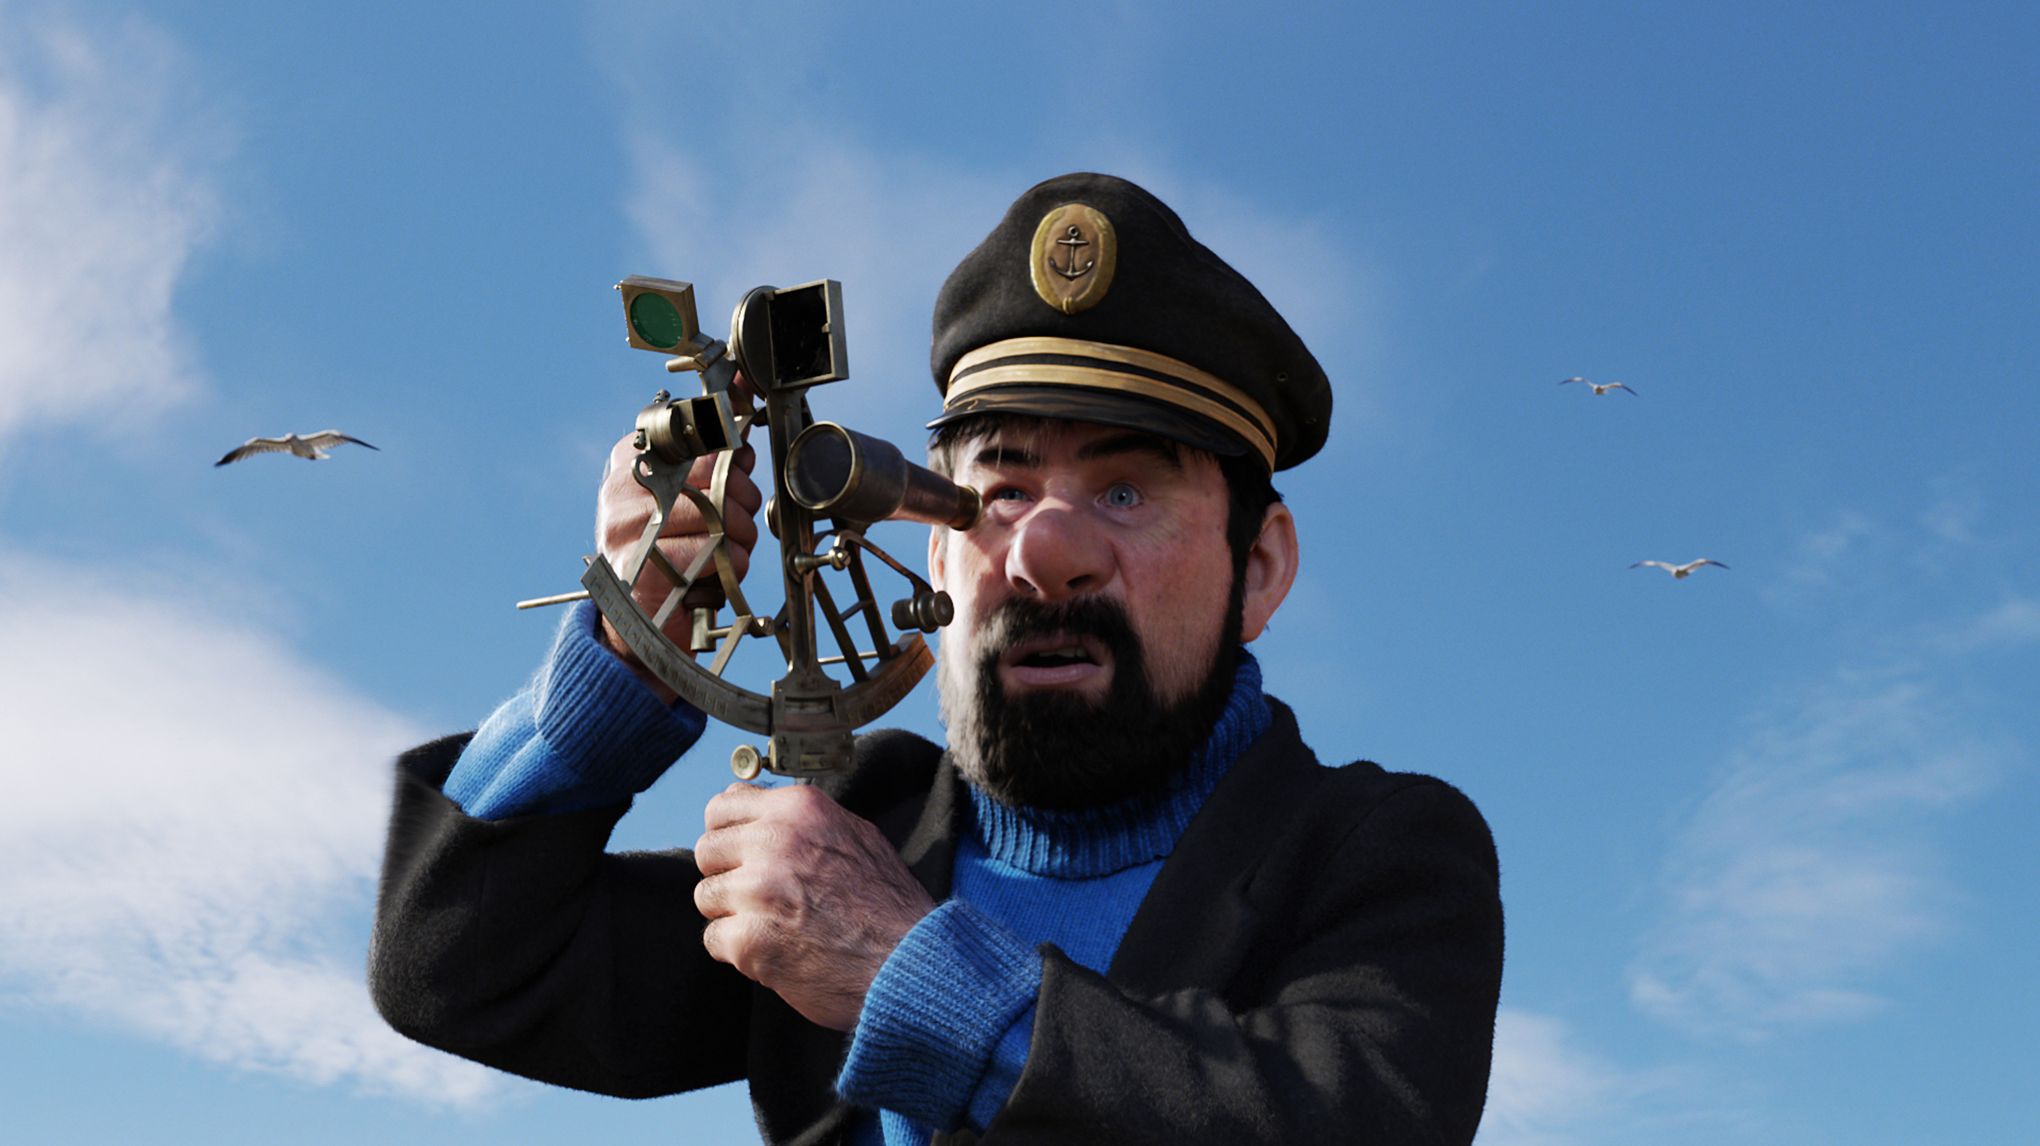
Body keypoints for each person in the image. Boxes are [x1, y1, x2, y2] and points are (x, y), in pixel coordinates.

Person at [370, 173, 1504, 1145]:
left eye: (1125, 489)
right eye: (1000, 490)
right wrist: (634, 645)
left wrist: (910, 971)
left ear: (1259, 567)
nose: (1045, 554)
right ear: (936, 557)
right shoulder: (866, 821)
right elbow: (461, 967)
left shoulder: (1379, 851)